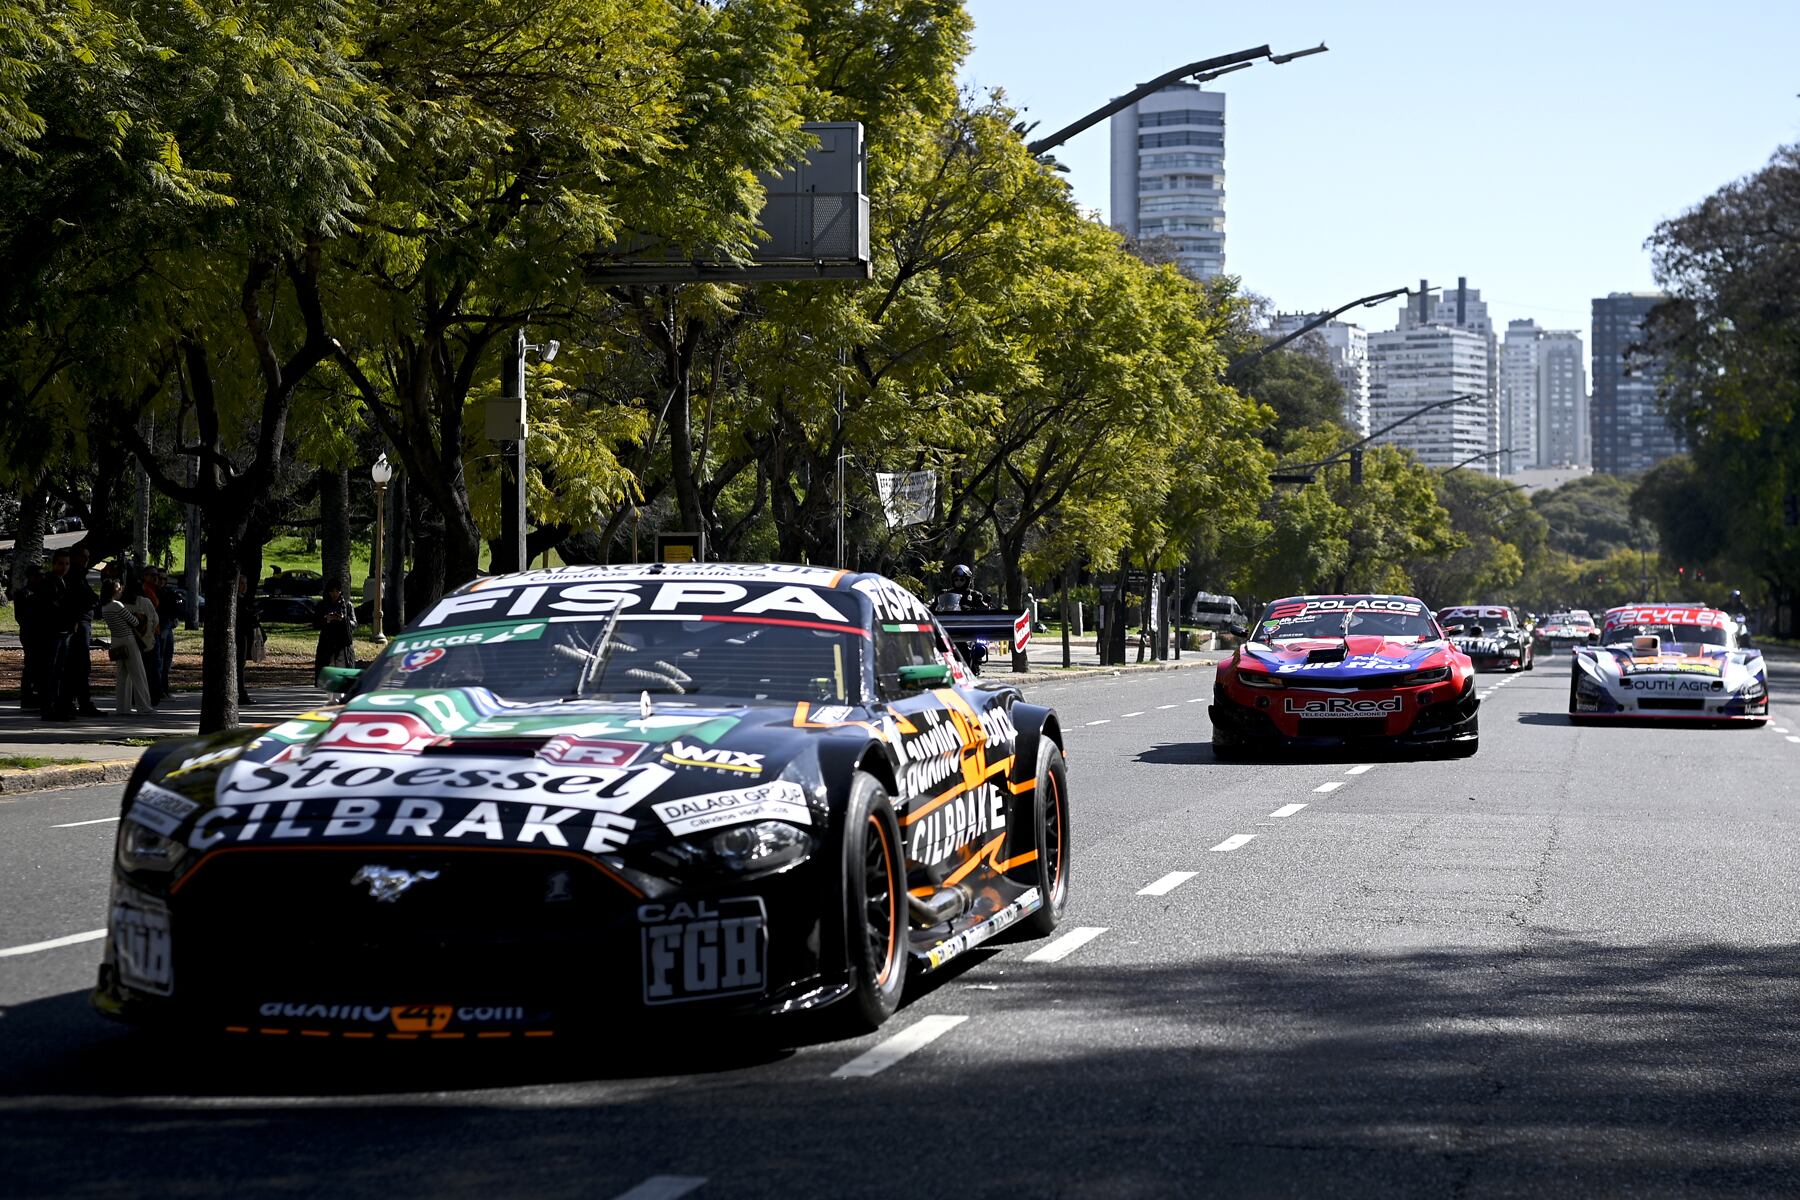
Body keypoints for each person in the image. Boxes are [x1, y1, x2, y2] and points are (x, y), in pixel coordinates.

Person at [98, 578, 153, 715]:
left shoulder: (104, 607)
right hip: (128, 640)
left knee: (122, 675)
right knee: (138, 674)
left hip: (116, 640)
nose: (120, 590)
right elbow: (134, 622)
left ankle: (122, 707)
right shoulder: (117, 605)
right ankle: (144, 706)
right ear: (113, 591)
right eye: (118, 588)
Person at [63, 544, 101, 716]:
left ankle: (78, 700)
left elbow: (91, 599)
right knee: (78, 665)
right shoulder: (73, 577)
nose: (86, 561)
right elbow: (83, 600)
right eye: (83, 557)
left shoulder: (80, 576)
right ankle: (75, 701)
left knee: (80, 665)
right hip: (79, 624)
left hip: (83, 622)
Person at [122, 572, 159, 707]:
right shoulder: (145, 602)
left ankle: (129, 700)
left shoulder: (122, 604)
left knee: (128, 674)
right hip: (146, 640)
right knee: (148, 671)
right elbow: (155, 620)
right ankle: (150, 698)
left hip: (128, 640)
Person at [312, 578, 358, 677]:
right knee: (329, 671)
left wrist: (343, 619)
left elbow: (354, 624)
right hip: (327, 643)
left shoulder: (347, 606)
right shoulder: (322, 605)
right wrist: (327, 619)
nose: (334, 594)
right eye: (332, 591)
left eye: (337, 591)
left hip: (343, 643)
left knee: (342, 671)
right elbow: (316, 623)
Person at [235, 573, 264, 705]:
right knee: (239, 666)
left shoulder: (243, 600)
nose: (244, 587)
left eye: (245, 584)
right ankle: (240, 693)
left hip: (244, 634)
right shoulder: (237, 601)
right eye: (241, 584)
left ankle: (240, 692)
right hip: (239, 635)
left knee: (241, 665)